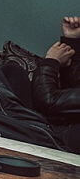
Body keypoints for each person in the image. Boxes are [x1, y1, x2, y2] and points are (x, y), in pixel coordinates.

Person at [31, 16, 80, 152]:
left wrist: (51, 62)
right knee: (11, 70)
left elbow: (48, 102)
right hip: (57, 134)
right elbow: (71, 95)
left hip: (57, 145)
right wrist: (72, 41)